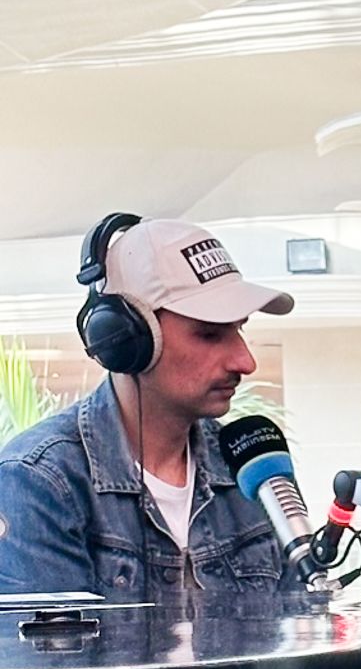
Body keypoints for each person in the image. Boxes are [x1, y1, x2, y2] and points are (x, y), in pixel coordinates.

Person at [0, 213, 301, 598]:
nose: (245, 362)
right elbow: (59, 640)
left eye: (239, 329)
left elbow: (303, 620)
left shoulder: (249, 465)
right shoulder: (40, 481)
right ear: (128, 338)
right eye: (210, 334)